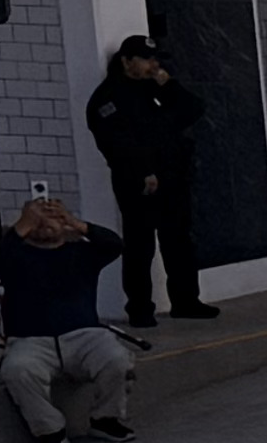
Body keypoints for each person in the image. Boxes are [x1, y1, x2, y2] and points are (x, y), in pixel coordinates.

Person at [0, 191, 138, 443]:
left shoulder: (81, 253)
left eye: (53, 217)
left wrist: (75, 222)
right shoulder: (16, 256)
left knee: (117, 358)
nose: (45, 222)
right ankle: (50, 430)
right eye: (38, 219)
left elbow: (114, 244)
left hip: (84, 334)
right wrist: (24, 223)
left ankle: (105, 419)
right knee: (17, 369)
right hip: (31, 339)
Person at [85, 35, 210, 326]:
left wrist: (167, 83)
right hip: (139, 181)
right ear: (127, 61)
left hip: (172, 175)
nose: (153, 65)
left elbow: (193, 110)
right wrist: (142, 172)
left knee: (178, 239)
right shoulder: (109, 97)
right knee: (140, 245)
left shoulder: (152, 88)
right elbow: (116, 142)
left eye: (155, 60)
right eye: (147, 60)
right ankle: (140, 309)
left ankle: (186, 300)